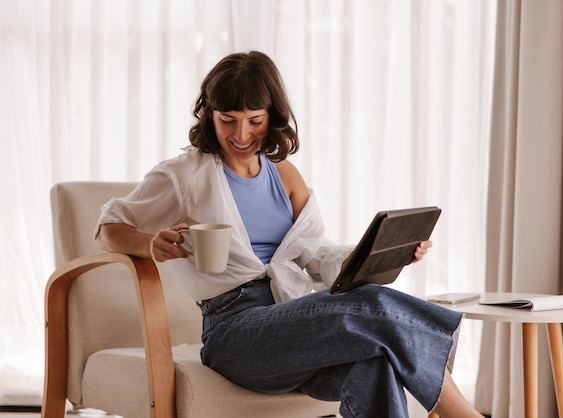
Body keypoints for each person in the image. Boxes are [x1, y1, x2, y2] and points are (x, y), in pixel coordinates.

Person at [95, 50, 483, 418]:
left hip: (296, 319)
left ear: (273, 116)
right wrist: (148, 244)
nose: (241, 133)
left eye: (255, 120)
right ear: (209, 115)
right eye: (227, 119)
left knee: (375, 364)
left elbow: (313, 254)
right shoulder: (183, 176)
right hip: (234, 331)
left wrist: (384, 253)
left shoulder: (285, 176)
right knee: (374, 304)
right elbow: (109, 228)